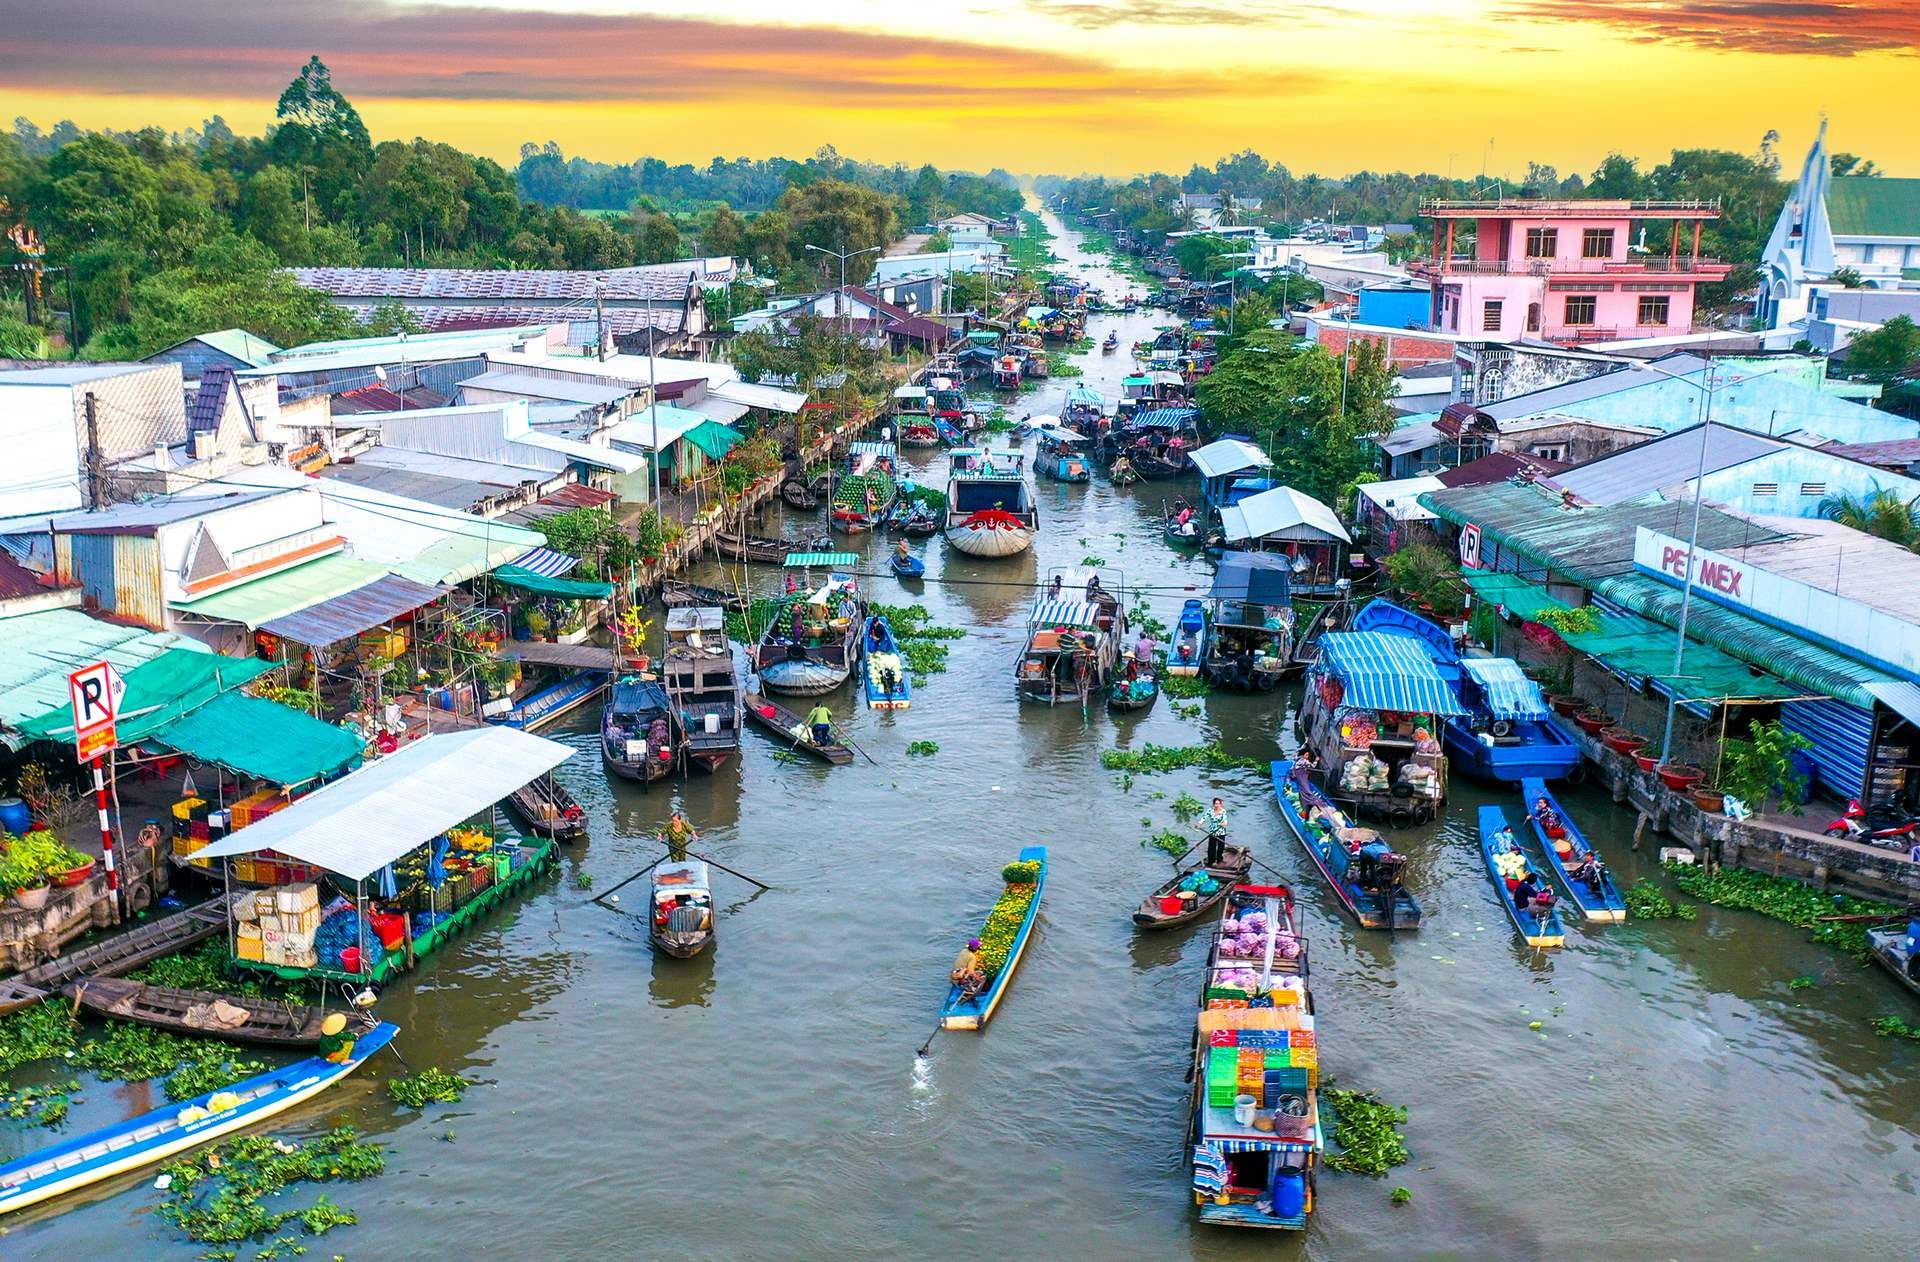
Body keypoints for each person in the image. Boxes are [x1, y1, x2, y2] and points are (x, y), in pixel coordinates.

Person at [1204, 798, 1229, 866]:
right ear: (1213, 804)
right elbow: (1204, 817)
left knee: (1221, 847)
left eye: (1218, 804)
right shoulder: (1210, 811)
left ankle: (1219, 860)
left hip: (1221, 832)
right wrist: (1199, 823)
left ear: (1221, 804)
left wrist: (1224, 823)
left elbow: (1225, 820)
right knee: (1211, 847)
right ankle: (1211, 861)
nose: (1217, 805)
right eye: (1216, 803)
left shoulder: (1223, 811)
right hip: (1212, 832)